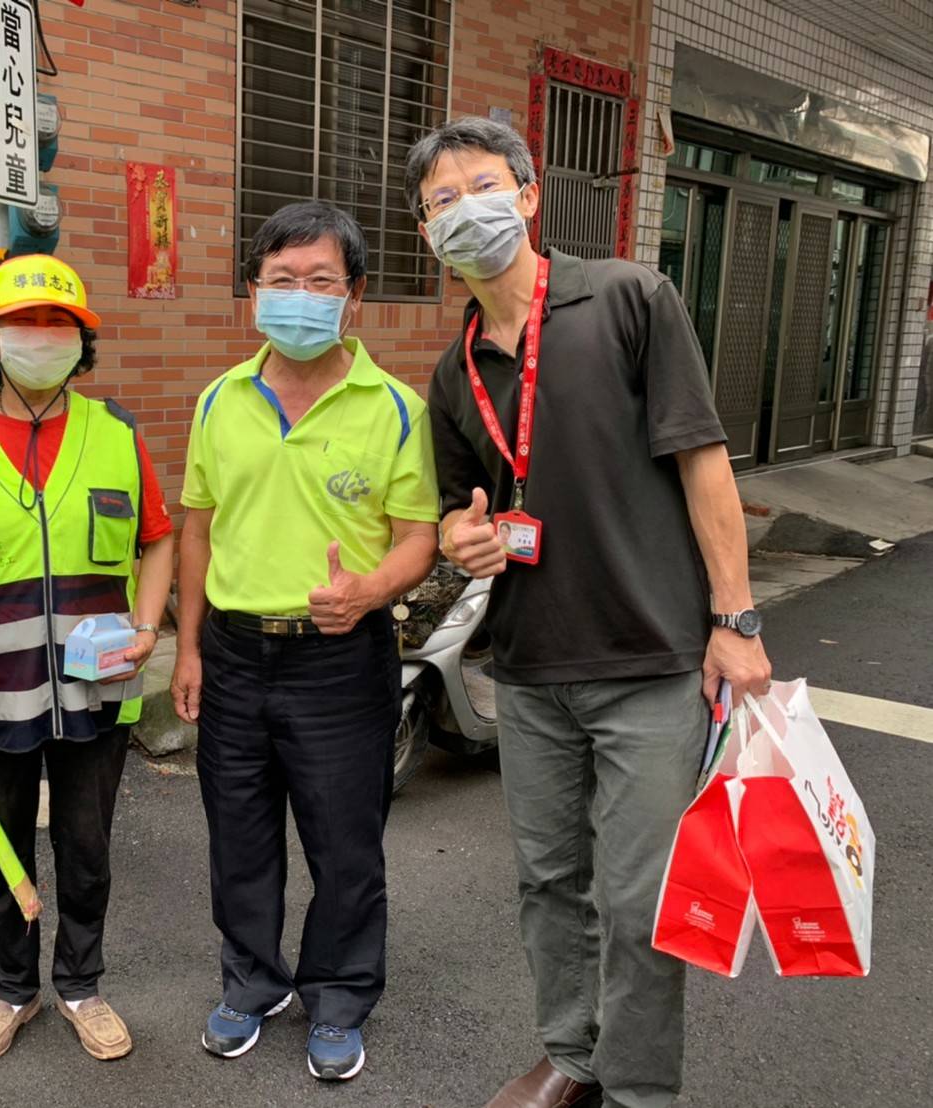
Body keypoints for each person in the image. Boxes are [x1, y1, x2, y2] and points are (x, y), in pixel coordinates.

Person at [408, 117, 773, 1108]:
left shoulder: (627, 299)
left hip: (649, 659)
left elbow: (701, 459)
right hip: (528, 670)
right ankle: (571, 1054)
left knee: (639, 897)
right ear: (425, 230)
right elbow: (454, 512)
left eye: (482, 186)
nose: (464, 210)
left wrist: (735, 620)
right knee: (548, 881)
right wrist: (461, 538)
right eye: (441, 201)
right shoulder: (452, 372)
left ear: (528, 196)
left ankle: (639, 1086)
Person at [171, 201, 439, 1081]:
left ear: (354, 296)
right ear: (253, 290)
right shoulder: (220, 400)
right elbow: (198, 528)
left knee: (345, 843)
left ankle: (339, 994)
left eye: (320, 281)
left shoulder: (396, 409)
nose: (299, 296)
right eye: (281, 280)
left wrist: (369, 590)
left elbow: (419, 537)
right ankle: (252, 983)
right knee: (238, 836)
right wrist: (189, 648)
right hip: (236, 654)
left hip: (341, 658)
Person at [0, 253, 174, 1066]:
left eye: (59, 323)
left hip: (97, 689)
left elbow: (158, 540)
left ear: (82, 341)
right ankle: (13, 991)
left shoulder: (117, 434)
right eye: (23, 322)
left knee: (86, 851)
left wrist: (148, 627)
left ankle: (80, 984)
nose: (41, 336)